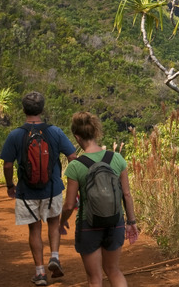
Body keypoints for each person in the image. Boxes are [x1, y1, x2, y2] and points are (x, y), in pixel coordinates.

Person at [1, 91, 78, 286]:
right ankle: (54, 257)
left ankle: (40, 272)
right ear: (42, 110)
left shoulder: (16, 134)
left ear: (23, 109)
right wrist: (71, 184)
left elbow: (8, 165)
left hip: (27, 191)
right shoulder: (55, 132)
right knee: (53, 223)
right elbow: (72, 157)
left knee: (34, 230)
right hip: (52, 189)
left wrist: (11, 186)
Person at [59, 111, 139, 287]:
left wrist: (61, 222)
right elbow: (126, 194)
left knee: (94, 279)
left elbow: (70, 204)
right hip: (115, 222)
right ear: (96, 133)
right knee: (113, 271)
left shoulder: (75, 166)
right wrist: (131, 221)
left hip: (89, 225)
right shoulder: (117, 159)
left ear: (77, 137)